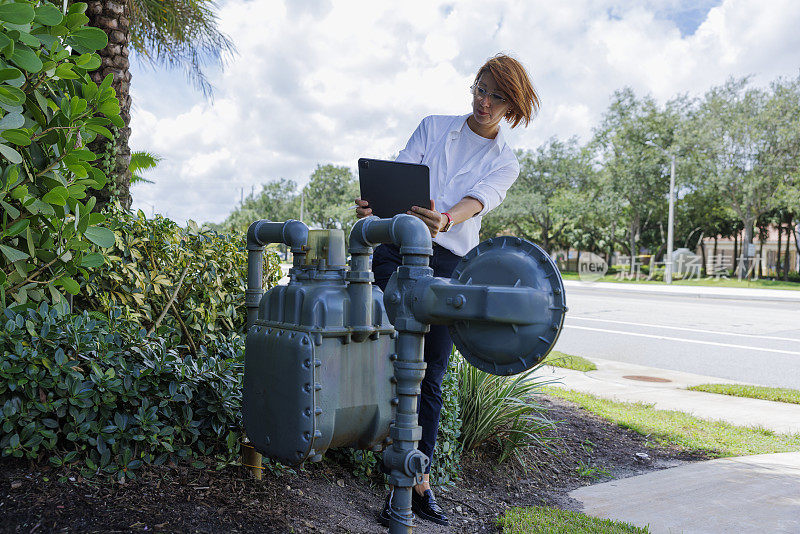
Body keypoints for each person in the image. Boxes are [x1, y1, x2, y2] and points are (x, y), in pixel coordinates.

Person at [355, 53, 540, 527]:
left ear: (512, 106)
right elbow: (398, 174)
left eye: (497, 96)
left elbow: (476, 202)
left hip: (448, 262)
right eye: (480, 89)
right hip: (395, 249)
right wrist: (374, 210)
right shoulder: (434, 127)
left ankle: (417, 478)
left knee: (431, 373)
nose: (484, 102)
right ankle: (382, 456)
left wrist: (447, 218)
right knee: (381, 355)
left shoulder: (506, 162)